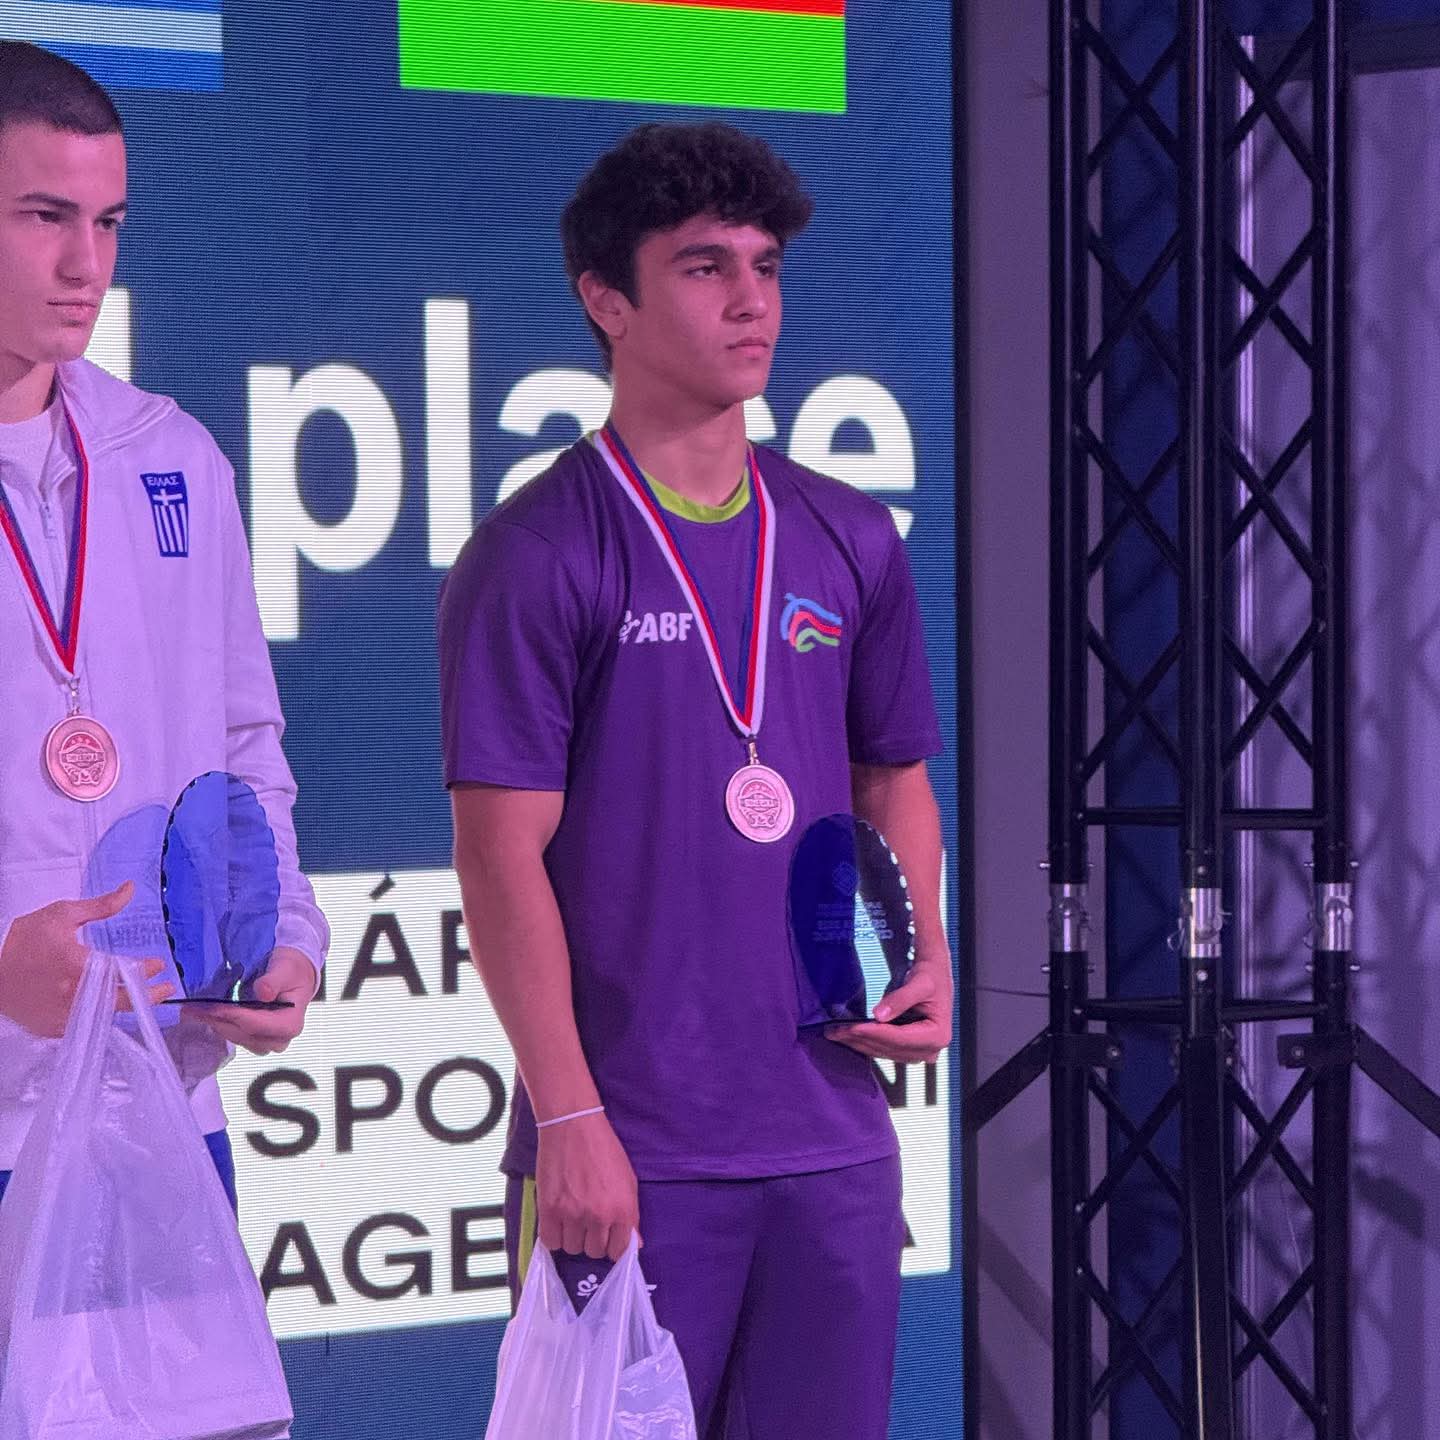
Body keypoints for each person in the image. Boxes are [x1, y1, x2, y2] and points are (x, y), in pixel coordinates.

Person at [439, 121, 951, 1436]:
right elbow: (498, 855)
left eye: (765, 267)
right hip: (632, 1147)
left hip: (831, 1139)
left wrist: (927, 952)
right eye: (705, 267)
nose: (751, 301)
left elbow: (893, 779)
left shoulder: (848, 536)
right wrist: (569, 1117)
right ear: (607, 300)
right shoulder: (538, 552)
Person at [0, 41, 328, 1209]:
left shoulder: (171, 454)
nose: (85, 264)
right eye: (45, 217)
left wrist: (283, 932)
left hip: (160, 1114)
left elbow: (242, 742)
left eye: (108, 223)